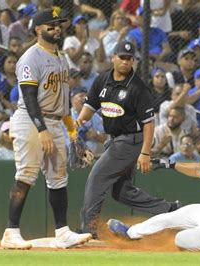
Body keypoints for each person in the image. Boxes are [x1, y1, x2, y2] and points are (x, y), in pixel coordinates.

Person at [0, 9, 93, 249]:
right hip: (31, 120)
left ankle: (62, 231)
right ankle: (11, 232)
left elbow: (64, 101)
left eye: (59, 24)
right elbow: (29, 97)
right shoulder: (31, 57)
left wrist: (72, 133)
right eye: (50, 25)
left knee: (59, 178)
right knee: (26, 175)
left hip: (54, 121)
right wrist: (41, 130)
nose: (56, 28)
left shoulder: (61, 57)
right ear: (37, 30)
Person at [75, 40, 181, 239]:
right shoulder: (101, 80)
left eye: (129, 58)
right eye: (122, 57)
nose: (125, 62)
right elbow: (90, 105)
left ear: (133, 61)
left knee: (97, 177)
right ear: (113, 58)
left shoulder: (138, 88)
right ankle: (169, 210)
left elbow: (149, 123)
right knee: (121, 191)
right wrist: (81, 118)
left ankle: (89, 229)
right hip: (114, 139)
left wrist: (145, 153)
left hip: (131, 140)